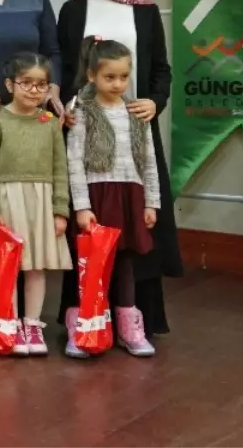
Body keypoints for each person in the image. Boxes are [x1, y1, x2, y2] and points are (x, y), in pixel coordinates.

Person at [56, 0, 182, 339]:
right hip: (86, 130)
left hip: (135, 133)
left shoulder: (146, 11)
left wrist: (155, 102)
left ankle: (134, 318)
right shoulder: (75, 9)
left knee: (137, 226)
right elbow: (63, 70)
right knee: (88, 226)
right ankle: (85, 317)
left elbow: (161, 70)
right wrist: (68, 106)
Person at [65, 36, 160, 358]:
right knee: (91, 266)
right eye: (110, 77)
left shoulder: (136, 112)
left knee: (126, 263)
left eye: (123, 76)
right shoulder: (81, 110)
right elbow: (74, 161)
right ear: (92, 75)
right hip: (97, 194)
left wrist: (151, 202)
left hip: (130, 195)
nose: (118, 83)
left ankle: (129, 327)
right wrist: (82, 206)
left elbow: (148, 160)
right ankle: (84, 326)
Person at [0, 52, 72, 357]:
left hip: (42, 204)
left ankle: (31, 324)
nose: (34, 90)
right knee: (11, 266)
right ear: (9, 84)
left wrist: (60, 209)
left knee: (36, 267)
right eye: (26, 83)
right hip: (8, 201)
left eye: (41, 85)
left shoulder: (50, 123)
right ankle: (11, 324)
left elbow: (61, 169)